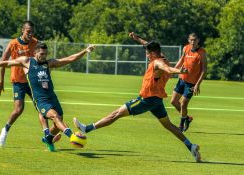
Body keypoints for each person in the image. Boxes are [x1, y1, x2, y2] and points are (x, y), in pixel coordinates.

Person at [73, 32, 201, 162]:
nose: (146, 55)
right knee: (169, 125)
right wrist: (137, 39)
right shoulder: (162, 57)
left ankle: (87, 128)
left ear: (153, 53)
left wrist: (179, 71)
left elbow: (167, 69)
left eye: (147, 53)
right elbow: (150, 47)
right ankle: (191, 146)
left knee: (116, 114)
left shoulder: (157, 63)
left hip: (146, 100)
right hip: (157, 101)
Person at [0, 42, 96, 151]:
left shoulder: (49, 63)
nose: (44, 56)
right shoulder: (26, 61)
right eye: (41, 54)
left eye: (45, 54)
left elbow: (69, 59)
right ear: (35, 53)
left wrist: (85, 51)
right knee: (55, 117)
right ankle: (72, 136)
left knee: (59, 123)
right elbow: (8, 63)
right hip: (41, 100)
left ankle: (47, 138)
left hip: (52, 97)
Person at [0, 21, 60, 147]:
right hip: (18, 81)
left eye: (32, 31)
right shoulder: (13, 43)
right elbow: (3, 62)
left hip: (34, 83)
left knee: (42, 108)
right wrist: (1, 81)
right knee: (19, 109)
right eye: (28, 31)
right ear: (22, 30)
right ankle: (6, 129)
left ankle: (47, 135)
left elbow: (43, 60)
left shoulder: (35, 43)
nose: (30, 34)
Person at [170, 33, 207, 132]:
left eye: (194, 40)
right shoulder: (186, 48)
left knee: (183, 104)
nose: (192, 42)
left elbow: (204, 70)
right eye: (191, 40)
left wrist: (197, 84)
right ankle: (187, 118)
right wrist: (173, 71)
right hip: (181, 80)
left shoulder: (202, 52)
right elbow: (181, 60)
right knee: (173, 102)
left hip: (191, 83)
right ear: (188, 40)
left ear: (198, 40)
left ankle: (181, 126)